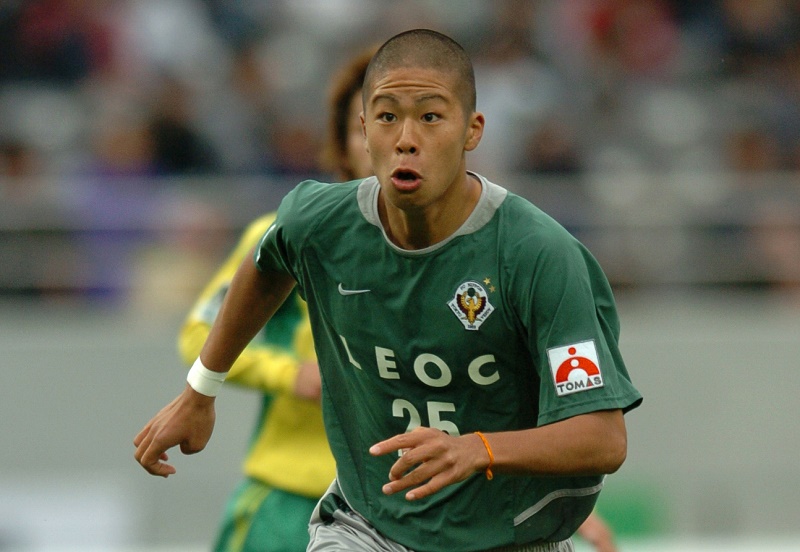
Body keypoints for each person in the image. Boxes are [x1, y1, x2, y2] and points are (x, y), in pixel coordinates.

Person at [135, 29, 642, 552]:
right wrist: (201, 390)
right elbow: (267, 262)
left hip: (507, 534)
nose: (405, 137)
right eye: (386, 116)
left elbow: (602, 437)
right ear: (363, 130)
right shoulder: (318, 222)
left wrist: (478, 449)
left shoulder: (540, 256)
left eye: (429, 116)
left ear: (472, 131)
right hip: (371, 523)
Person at [176, 47, 375, 552]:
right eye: (366, 125)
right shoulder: (284, 236)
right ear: (342, 142)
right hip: (287, 504)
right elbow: (198, 334)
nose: (384, 142)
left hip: (401, 515)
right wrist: (289, 373)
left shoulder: (461, 258)